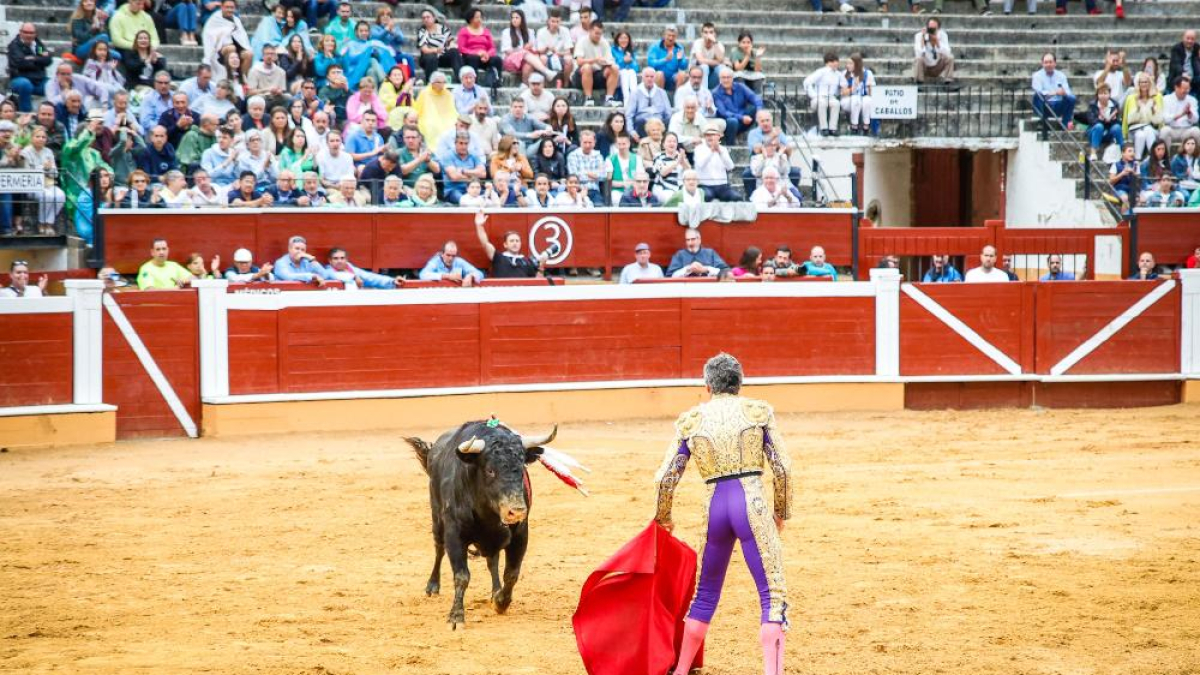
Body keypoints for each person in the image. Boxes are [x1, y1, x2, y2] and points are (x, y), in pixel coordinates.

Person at [655, 352, 791, 675]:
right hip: (752, 506)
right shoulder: (758, 412)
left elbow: (665, 477)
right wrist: (780, 511)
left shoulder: (692, 421)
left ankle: (681, 670)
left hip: (714, 506)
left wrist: (663, 517)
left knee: (704, 595)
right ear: (739, 383)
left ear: (707, 386)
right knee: (772, 596)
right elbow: (783, 468)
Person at [474, 211, 547, 278]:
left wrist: (541, 266)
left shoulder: (527, 261)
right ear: (505, 244)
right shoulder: (499, 257)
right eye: (512, 241)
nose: (515, 243)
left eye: (517, 241)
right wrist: (479, 226)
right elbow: (485, 243)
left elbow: (537, 282)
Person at [8, 24, 54, 112]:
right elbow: (21, 63)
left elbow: (48, 60)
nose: (29, 35)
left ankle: (49, 114)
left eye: (31, 33)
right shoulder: (14, 46)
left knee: (53, 84)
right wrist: (39, 60)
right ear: (20, 32)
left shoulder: (38, 45)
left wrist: (33, 58)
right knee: (25, 85)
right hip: (19, 80)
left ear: (35, 34)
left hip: (38, 81)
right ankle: (25, 114)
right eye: (26, 32)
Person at [573, 20, 619, 107]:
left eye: (600, 34)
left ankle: (609, 98)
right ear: (590, 31)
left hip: (598, 74)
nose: (598, 36)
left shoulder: (604, 42)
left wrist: (606, 63)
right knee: (587, 67)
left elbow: (610, 60)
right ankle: (588, 98)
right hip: (581, 76)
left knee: (614, 68)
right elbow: (579, 62)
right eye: (596, 33)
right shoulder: (582, 41)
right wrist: (595, 60)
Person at [713, 67, 762, 146]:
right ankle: (731, 147)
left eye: (728, 77)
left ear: (732, 78)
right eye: (723, 78)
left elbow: (755, 97)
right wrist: (741, 117)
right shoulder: (716, 93)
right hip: (728, 122)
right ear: (719, 79)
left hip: (743, 119)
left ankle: (758, 139)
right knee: (733, 121)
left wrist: (759, 110)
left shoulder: (740, 87)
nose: (726, 80)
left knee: (755, 108)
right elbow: (723, 112)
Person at [1122, 73, 1164, 161]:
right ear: (1138, 84)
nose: (1144, 84)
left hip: (1151, 130)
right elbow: (1129, 120)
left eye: (1146, 82)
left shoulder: (1156, 97)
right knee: (1140, 135)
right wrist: (1137, 108)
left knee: (1148, 129)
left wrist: (1153, 109)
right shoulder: (1131, 98)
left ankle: (1153, 158)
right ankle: (1137, 159)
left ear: (1150, 84)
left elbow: (1158, 120)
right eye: (1141, 82)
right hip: (1135, 129)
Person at [457, 8, 501, 87]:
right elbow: (462, 48)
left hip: (484, 57)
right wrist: (477, 53)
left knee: (497, 59)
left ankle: (496, 81)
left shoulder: (486, 31)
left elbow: (492, 48)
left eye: (480, 17)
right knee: (473, 58)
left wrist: (487, 54)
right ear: (470, 19)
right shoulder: (464, 31)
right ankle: (473, 83)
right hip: (470, 58)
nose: (480, 19)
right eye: (477, 17)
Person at [1032, 53, 1076, 130]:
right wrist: (1054, 92)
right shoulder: (1037, 76)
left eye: (1050, 62)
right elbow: (1039, 92)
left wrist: (1064, 93)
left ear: (1055, 63)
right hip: (1044, 103)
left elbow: (1068, 92)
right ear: (1042, 64)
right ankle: (1043, 123)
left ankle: (1065, 124)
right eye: (1046, 62)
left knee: (1071, 98)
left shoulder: (1061, 75)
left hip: (1058, 103)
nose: (1048, 64)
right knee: (1037, 97)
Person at [694, 124, 737, 202]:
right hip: (705, 185)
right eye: (707, 135)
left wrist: (720, 153)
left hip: (722, 186)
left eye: (713, 134)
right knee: (707, 196)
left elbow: (730, 167)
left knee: (736, 198)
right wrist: (711, 151)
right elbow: (700, 165)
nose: (710, 137)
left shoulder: (723, 149)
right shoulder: (698, 149)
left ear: (718, 136)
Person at [441, 132, 488, 204]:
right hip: (454, 190)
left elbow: (483, 174)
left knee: (489, 197)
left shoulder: (473, 154)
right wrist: (474, 174)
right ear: (455, 143)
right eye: (461, 143)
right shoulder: (448, 155)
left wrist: (463, 171)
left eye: (466, 144)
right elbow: (454, 177)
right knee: (466, 202)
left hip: (473, 188)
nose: (464, 146)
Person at [416, 9, 460, 84]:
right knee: (431, 56)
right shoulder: (422, 31)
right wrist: (436, 50)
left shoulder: (442, 28)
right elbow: (425, 50)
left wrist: (451, 46)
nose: (426, 19)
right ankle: (431, 82)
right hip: (428, 58)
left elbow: (450, 41)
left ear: (434, 18)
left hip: (442, 56)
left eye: (428, 17)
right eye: (423, 18)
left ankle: (461, 78)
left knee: (454, 51)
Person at [626, 68, 673, 137]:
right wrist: (631, 131)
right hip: (642, 123)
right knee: (640, 121)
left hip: (659, 122)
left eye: (652, 76)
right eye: (647, 76)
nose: (649, 79)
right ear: (642, 77)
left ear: (655, 78)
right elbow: (629, 115)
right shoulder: (635, 92)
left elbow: (668, 113)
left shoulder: (662, 92)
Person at [803, 53, 842, 137]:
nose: (835, 63)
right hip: (819, 97)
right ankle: (823, 128)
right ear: (828, 63)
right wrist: (813, 95)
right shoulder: (821, 72)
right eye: (833, 61)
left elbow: (842, 86)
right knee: (822, 103)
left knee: (836, 104)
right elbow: (807, 82)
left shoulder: (838, 74)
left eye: (836, 61)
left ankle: (833, 128)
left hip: (830, 97)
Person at [326, 247, 401, 289]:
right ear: (330, 261)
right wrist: (354, 277)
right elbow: (334, 275)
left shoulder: (352, 269)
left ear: (346, 260)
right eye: (336, 258)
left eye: (342, 258)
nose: (339, 261)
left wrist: (392, 281)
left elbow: (371, 277)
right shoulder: (327, 271)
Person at [536, 9, 575, 87]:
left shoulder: (565, 31)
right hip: (547, 55)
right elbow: (539, 51)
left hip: (561, 56)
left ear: (560, 22)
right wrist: (547, 48)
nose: (555, 24)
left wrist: (558, 53)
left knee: (569, 59)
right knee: (543, 58)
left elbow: (569, 51)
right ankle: (545, 84)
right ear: (548, 21)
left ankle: (566, 83)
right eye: (553, 21)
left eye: (557, 22)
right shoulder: (541, 31)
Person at [1160, 77, 1200, 152]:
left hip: (1186, 129)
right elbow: (1165, 119)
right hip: (1172, 129)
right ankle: (1166, 160)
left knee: (1196, 131)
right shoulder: (1166, 99)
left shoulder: (1192, 100)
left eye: (1188, 89)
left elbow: (1195, 120)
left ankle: (1195, 160)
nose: (1186, 91)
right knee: (1164, 131)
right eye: (1184, 88)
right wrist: (1181, 114)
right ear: (1176, 87)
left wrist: (1189, 113)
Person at [419, 241, 484, 286]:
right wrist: (447, 276)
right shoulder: (435, 261)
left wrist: (471, 276)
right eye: (448, 255)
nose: (451, 258)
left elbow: (479, 273)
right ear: (442, 254)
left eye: (453, 256)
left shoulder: (459, 261)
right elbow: (423, 275)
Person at [841, 53, 876, 136]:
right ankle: (854, 126)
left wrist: (869, 88)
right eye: (847, 63)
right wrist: (854, 87)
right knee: (855, 99)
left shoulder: (867, 73)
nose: (848, 66)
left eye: (850, 63)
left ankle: (866, 125)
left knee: (867, 100)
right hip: (848, 100)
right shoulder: (844, 74)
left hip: (863, 99)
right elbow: (843, 92)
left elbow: (872, 93)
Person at [567, 130, 606, 205]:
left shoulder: (598, 156)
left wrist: (584, 173)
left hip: (594, 191)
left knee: (600, 209)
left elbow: (603, 176)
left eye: (590, 142)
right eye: (585, 142)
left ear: (594, 142)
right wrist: (593, 175)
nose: (587, 145)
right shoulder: (572, 155)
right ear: (580, 142)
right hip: (577, 190)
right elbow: (574, 177)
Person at [1087, 84, 1124, 160]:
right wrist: (1100, 119)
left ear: (1109, 94)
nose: (1103, 96)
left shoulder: (1115, 105)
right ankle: (1093, 152)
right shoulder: (1093, 105)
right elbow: (1090, 120)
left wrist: (1113, 120)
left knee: (1117, 127)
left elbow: (1119, 122)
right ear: (1097, 95)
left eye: (1105, 93)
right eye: (1100, 93)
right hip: (1095, 131)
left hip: (1108, 132)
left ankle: (1122, 151)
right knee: (1099, 126)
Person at [913, 18, 954, 84]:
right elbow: (918, 53)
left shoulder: (943, 35)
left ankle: (948, 82)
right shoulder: (919, 35)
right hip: (925, 66)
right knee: (918, 59)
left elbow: (947, 52)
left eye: (934, 29)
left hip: (938, 65)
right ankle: (919, 82)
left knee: (950, 58)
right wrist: (923, 41)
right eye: (930, 28)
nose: (931, 31)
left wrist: (937, 43)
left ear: (938, 29)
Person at [688, 22, 725, 89]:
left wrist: (714, 43)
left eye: (711, 32)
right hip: (696, 74)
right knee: (704, 67)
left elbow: (721, 59)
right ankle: (703, 94)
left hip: (712, 74)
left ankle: (722, 94)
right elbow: (701, 61)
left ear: (714, 34)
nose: (708, 35)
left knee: (722, 68)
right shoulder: (697, 43)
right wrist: (717, 62)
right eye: (706, 32)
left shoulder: (718, 44)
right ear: (702, 34)